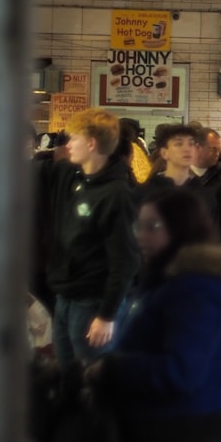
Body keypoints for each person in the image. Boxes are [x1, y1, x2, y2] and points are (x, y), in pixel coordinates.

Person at [84, 188, 221, 442]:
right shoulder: (176, 282)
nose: (141, 237)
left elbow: (181, 371)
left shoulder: (196, 290)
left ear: (182, 228)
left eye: (153, 227)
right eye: (140, 227)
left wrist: (111, 369)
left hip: (184, 432)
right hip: (178, 428)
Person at [38, 108, 140, 365]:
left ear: (92, 143)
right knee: (66, 374)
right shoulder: (74, 179)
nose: (68, 145)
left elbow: (125, 260)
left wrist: (107, 315)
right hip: (66, 295)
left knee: (91, 379)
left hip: (93, 302)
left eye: (73, 139)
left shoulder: (117, 194)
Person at [135, 123, 204, 206]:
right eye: (179, 144)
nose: (186, 149)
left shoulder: (202, 193)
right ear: (164, 152)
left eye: (191, 144)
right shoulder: (147, 193)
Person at [191, 127, 221, 220]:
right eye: (213, 149)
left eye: (219, 150)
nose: (217, 154)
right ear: (197, 147)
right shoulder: (178, 174)